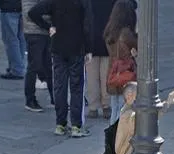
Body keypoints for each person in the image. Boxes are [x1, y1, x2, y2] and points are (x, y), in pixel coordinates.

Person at [28, 0, 93, 138]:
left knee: (60, 86)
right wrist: (88, 48)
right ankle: (76, 125)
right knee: (76, 87)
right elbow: (87, 25)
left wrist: (48, 27)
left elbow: (33, 12)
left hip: (58, 46)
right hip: (76, 46)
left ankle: (60, 124)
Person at [102, 0, 135, 122]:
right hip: (125, 74)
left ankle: (112, 137)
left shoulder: (110, 31)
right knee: (123, 109)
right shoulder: (126, 33)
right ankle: (118, 137)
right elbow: (137, 47)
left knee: (115, 107)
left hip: (113, 73)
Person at [84, 0, 112, 119]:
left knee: (91, 77)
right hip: (108, 39)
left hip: (91, 40)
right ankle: (106, 106)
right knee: (106, 76)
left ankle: (93, 107)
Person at [21, 0, 52, 111]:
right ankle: (30, 100)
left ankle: (54, 97)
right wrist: (48, 26)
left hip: (38, 31)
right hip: (35, 31)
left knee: (47, 66)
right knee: (35, 66)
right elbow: (33, 12)